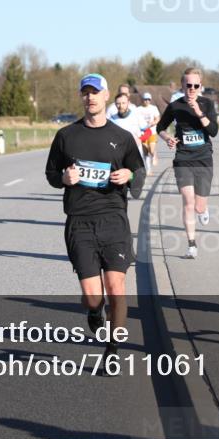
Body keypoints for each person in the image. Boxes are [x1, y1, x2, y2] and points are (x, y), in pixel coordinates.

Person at [45, 74, 145, 360]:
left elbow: (138, 174)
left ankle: (113, 351)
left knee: (116, 287)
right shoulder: (66, 136)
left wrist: (128, 174)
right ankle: (93, 309)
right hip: (80, 221)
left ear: (106, 96)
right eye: (85, 92)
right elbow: (51, 174)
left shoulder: (121, 137)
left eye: (95, 92)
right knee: (94, 296)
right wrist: (64, 177)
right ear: (82, 97)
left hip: (114, 219)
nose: (90, 97)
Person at [155, 68, 218, 259]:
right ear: (182, 85)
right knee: (188, 202)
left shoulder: (207, 104)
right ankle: (192, 245)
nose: (191, 89)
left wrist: (199, 112)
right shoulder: (175, 106)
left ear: (200, 86)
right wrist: (167, 138)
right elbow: (160, 127)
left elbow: (214, 131)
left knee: (198, 206)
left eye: (195, 85)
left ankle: (204, 209)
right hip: (183, 158)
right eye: (188, 85)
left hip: (204, 158)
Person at [108, 92, 147, 161]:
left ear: (128, 103)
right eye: (118, 103)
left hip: (136, 154)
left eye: (123, 103)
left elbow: (148, 131)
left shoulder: (136, 115)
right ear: (115, 104)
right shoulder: (112, 119)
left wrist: (140, 139)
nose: (121, 106)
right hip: (120, 154)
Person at [138, 92, 162, 176]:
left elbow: (158, 118)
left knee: (151, 150)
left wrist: (153, 123)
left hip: (151, 131)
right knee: (145, 152)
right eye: (145, 99)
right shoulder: (138, 109)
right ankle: (148, 170)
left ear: (150, 100)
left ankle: (154, 154)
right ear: (142, 100)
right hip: (142, 133)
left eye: (148, 99)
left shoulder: (153, 108)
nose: (147, 101)